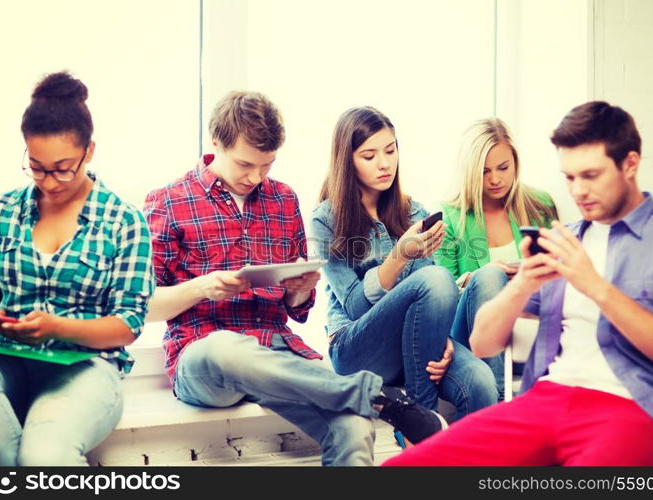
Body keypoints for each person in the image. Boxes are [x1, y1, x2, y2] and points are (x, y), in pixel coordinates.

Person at [142, 91, 446, 466]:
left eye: (267, 165)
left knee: (354, 428)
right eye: (245, 164)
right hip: (203, 355)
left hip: (275, 353)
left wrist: (299, 292)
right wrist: (202, 287)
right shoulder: (169, 201)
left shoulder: (283, 199)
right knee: (224, 348)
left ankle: (368, 403)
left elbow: (296, 311)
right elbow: (142, 306)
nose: (256, 177)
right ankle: (376, 396)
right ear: (216, 142)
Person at [383, 101, 653, 466]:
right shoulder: (564, 238)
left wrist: (594, 285)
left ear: (630, 164)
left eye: (591, 176)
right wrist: (523, 282)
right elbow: (481, 343)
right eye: (569, 178)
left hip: (631, 405)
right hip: (545, 401)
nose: (578, 192)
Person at [0, 72, 154, 466]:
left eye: (63, 167)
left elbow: (128, 324)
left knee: (45, 457)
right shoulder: (1, 212)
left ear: (89, 151)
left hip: (85, 368)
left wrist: (58, 327)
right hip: (7, 359)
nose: (50, 182)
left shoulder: (123, 221)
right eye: (36, 167)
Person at [311, 106, 498, 432]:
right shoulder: (325, 220)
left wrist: (444, 339)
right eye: (369, 156)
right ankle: (420, 429)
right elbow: (355, 306)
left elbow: (434, 298)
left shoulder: (415, 212)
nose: (384, 163)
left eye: (390, 150)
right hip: (357, 350)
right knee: (436, 277)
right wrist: (399, 255)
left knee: (480, 382)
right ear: (347, 160)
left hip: (415, 344)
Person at [436, 118, 558, 398]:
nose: (495, 179)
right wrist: (477, 278)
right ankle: (500, 403)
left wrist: (527, 276)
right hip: (472, 332)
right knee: (490, 276)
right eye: (484, 171)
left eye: (503, 168)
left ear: (515, 162)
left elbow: (559, 274)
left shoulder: (540, 206)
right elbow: (440, 295)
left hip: (528, 321)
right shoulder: (451, 217)